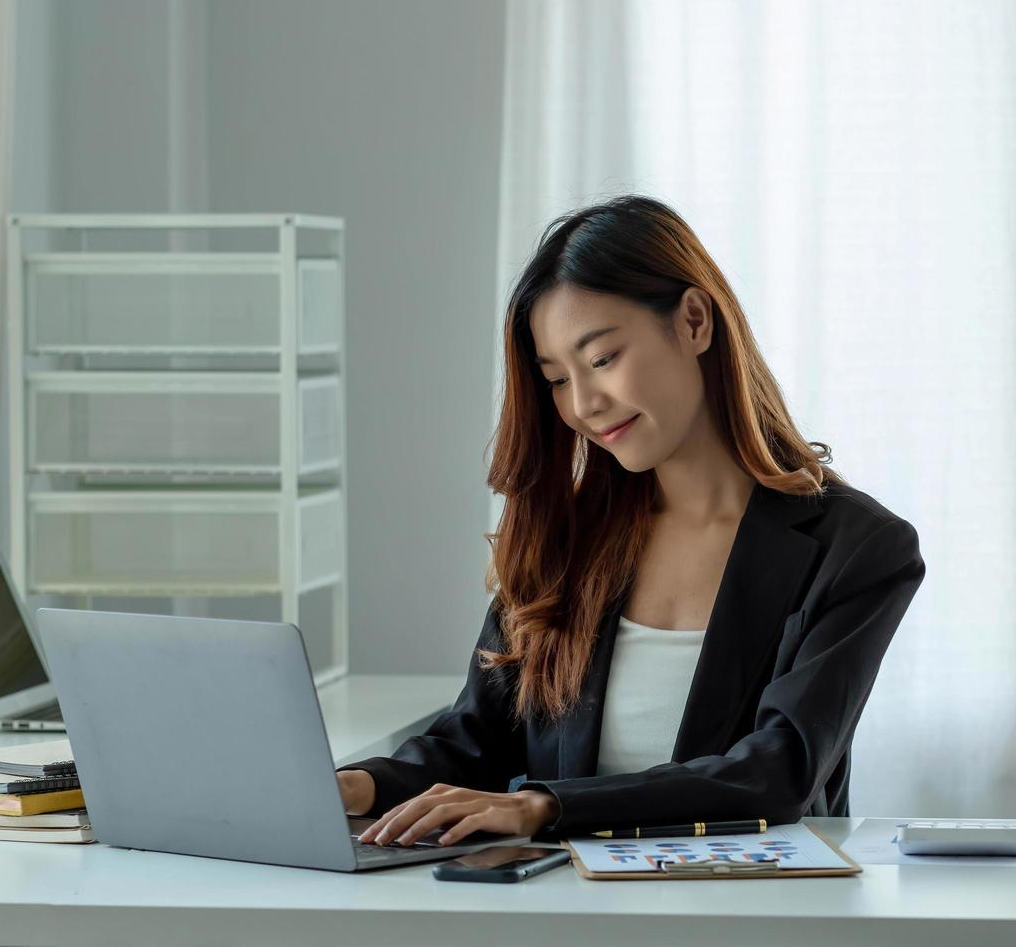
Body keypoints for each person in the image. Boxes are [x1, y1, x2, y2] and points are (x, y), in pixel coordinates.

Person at [337, 195, 925, 847]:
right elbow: (478, 739)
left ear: (695, 321)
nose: (585, 404)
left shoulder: (856, 548)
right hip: (572, 914)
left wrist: (545, 807)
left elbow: (780, 771)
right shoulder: (568, 539)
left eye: (602, 359)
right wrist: (359, 784)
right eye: (557, 379)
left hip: (756, 912)